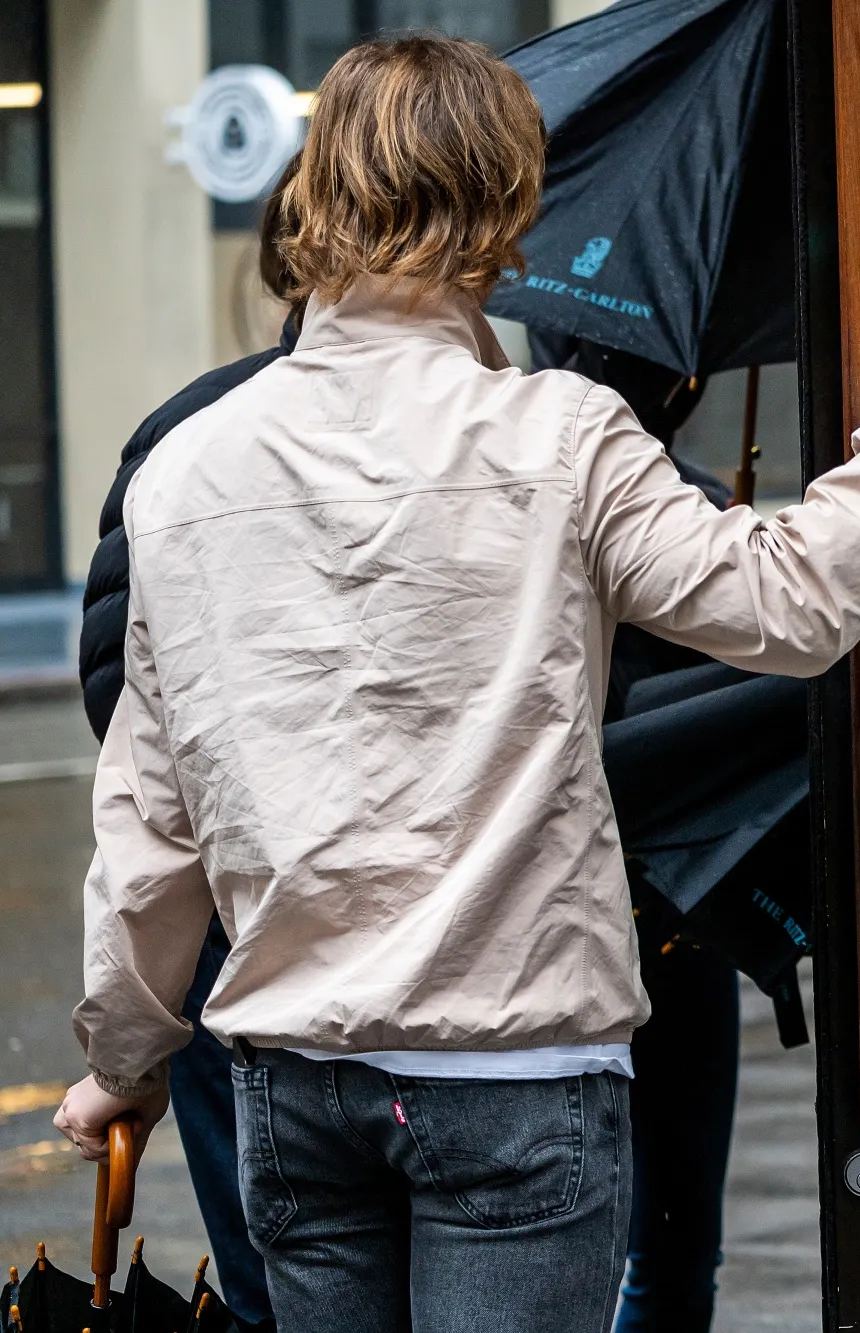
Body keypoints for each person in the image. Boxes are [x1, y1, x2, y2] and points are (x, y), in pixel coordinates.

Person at [52, 32, 860, 1333]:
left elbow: (149, 832)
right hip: (515, 1076)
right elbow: (790, 601)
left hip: (295, 1083)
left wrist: (120, 1065)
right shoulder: (561, 438)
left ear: (315, 200)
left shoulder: (187, 470)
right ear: (508, 207)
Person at [74, 168, 306, 1333]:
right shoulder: (525, 427)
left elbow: (129, 720)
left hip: (240, 946)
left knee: (276, 1283)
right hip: (478, 995)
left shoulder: (185, 437)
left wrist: (127, 1051)